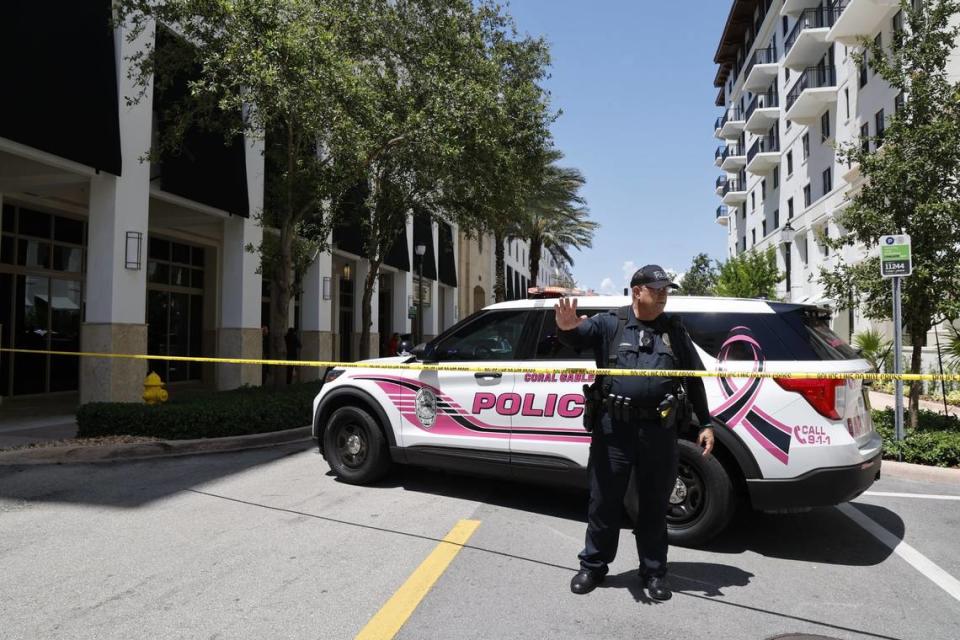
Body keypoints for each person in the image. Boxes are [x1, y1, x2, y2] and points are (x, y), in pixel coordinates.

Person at [555, 264, 715, 602]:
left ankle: (654, 572)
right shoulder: (610, 323)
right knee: (604, 501)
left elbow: (693, 378)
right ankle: (594, 566)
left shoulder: (673, 330)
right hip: (614, 429)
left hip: (659, 430)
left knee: (654, 505)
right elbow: (577, 338)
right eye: (656, 290)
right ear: (636, 291)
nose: (662, 296)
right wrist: (566, 329)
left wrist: (706, 423)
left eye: (665, 291)